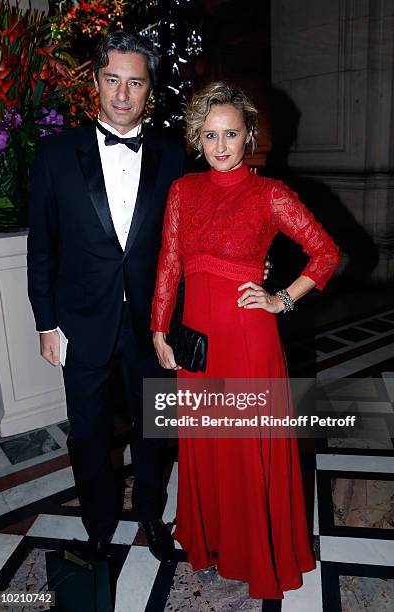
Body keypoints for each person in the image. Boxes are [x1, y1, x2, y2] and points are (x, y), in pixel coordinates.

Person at [151, 82, 341, 598]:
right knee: (207, 445)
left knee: (247, 445)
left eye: (231, 133)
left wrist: (283, 299)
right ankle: (210, 542)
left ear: (248, 134)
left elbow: (325, 254)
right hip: (197, 343)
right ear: (196, 137)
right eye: (209, 135)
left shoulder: (270, 194)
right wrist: (159, 325)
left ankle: (257, 553)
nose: (220, 145)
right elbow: (169, 261)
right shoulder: (182, 191)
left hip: (249, 339)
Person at [27, 30, 186, 563]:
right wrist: (45, 324)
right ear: (95, 81)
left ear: (149, 89)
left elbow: (194, 239)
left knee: (153, 432)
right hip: (82, 323)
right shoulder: (54, 154)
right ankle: (99, 524)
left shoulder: (174, 155)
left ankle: (150, 515)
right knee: (89, 435)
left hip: (155, 324)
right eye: (112, 79)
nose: (122, 93)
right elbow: (41, 247)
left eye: (135, 82)